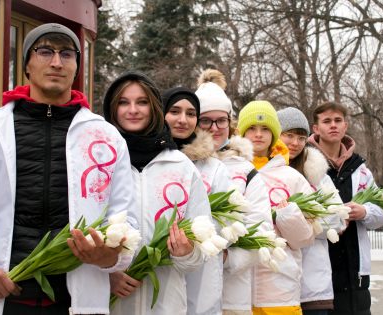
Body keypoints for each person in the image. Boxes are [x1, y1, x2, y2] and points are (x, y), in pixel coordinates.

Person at [0, 23, 137, 315]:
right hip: (2, 295)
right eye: (45, 51)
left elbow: (125, 217)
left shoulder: (106, 138)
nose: (56, 62)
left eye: (67, 54)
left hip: (74, 299)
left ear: (76, 67)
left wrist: (111, 257)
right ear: (26, 66)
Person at [103, 71, 211, 315]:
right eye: (123, 102)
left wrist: (187, 253)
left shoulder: (181, 166)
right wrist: (105, 274)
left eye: (142, 102)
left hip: (166, 304)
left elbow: (202, 245)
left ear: (154, 108)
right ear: (111, 108)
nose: (133, 110)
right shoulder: (101, 162)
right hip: (109, 304)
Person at [195, 69, 273, 315]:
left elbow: (263, 231)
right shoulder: (180, 164)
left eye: (222, 120)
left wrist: (227, 258)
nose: (215, 128)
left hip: (231, 297)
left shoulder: (246, 172)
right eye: (206, 120)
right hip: (184, 290)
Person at [307, 101, 383, 315]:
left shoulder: (361, 170)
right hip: (318, 276)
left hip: (357, 275)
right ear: (316, 128)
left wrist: (365, 212)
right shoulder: (303, 165)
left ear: (345, 126)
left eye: (338, 120)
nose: (333, 125)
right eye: (326, 121)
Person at [238, 100, 315, 315]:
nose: (258, 134)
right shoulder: (229, 172)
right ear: (241, 132)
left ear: (274, 134)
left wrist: (287, 215)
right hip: (235, 288)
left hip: (279, 289)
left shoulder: (291, 177)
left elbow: (305, 239)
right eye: (251, 128)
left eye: (265, 129)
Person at [163, 87, 232, 315]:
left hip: (201, 279)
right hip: (160, 277)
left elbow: (226, 225)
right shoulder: (147, 160)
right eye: (174, 111)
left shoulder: (215, 168)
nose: (183, 120)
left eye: (191, 114)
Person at [277, 107, 346, 315]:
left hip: (312, 284)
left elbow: (338, 219)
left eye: (301, 137)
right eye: (288, 135)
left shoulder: (317, 173)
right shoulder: (263, 172)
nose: (295, 143)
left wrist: (300, 221)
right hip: (273, 283)